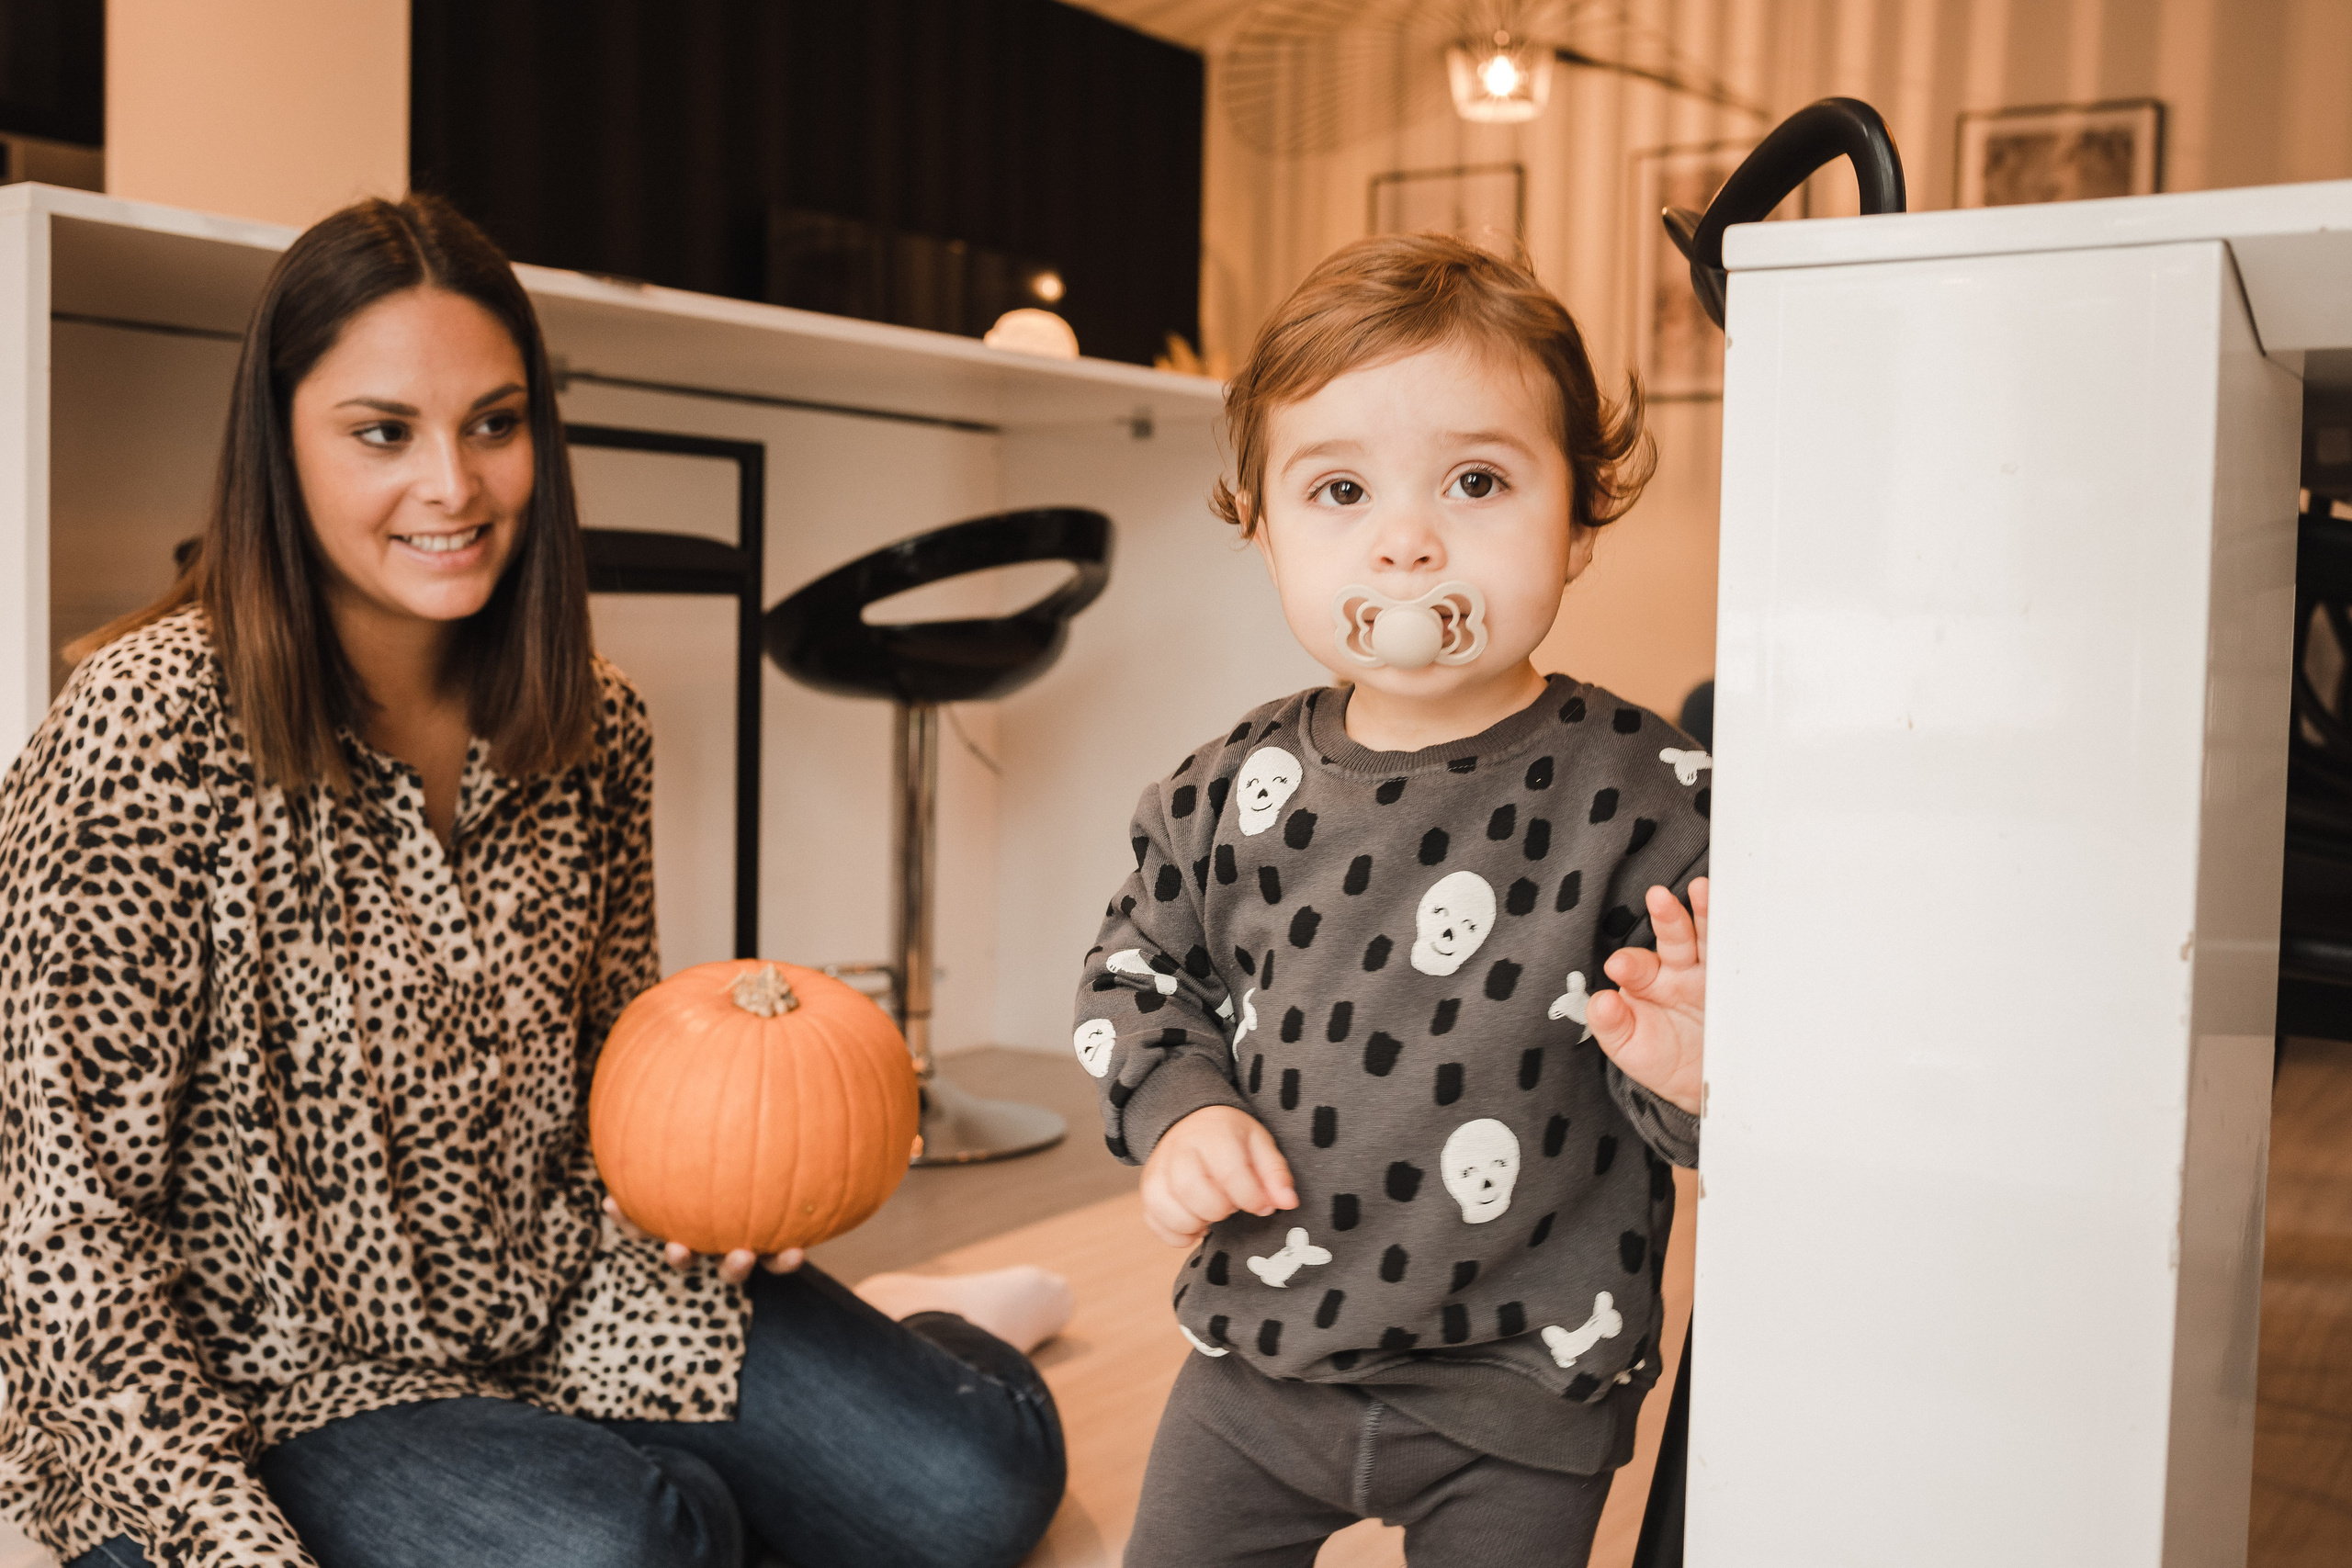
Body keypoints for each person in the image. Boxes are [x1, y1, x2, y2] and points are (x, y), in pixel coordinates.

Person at [0, 193, 1073, 1568]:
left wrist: (705, 1197)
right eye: (383, 432)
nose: (453, 485)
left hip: (559, 1298)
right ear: (280, 440)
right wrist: (219, 1541)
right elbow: (64, 1229)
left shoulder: (594, 721)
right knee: (626, 1545)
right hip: (266, 1383)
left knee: (974, 1489)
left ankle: (914, 1335)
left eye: (494, 423)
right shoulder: (143, 723)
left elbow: (613, 1072)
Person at [1070, 232, 1709, 1567]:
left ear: (1581, 519)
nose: (1407, 544)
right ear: (1262, 529)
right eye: (1341, 490)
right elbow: (1135, 978)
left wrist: (1697, 1074)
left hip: (1522, 1388)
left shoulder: (1649, 796)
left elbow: (1696, 1081)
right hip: (1259, 1362)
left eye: (1477, 482)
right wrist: (1181, 1107)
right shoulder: (1224, 788)